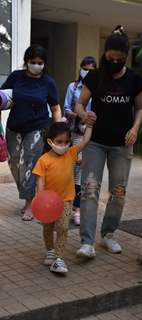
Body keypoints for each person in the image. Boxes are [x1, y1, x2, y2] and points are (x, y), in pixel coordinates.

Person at [75, 25, 142, 258]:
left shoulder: (134, 79)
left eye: (118, 59)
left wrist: (135, 128)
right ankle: (86, 242)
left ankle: (108, 235)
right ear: (105, 53)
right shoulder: (95, 77)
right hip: (95, 142)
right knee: (90, 189)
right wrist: (84, 115)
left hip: (121, 144)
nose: (113, 61)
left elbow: (140, 108)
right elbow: (79, 104)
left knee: (118, 192)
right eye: (110, 57)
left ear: (126, 57)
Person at [1, 45, 61, 221]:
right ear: (26, 62)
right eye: (32, 62)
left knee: (29, 164)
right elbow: (3, 97)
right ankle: (29, 194)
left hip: (37, 128)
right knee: (14, 164)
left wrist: (58, 133)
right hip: (14, 127)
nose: (36, 65)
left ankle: (29, 204)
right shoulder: (16, 77)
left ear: (44, 64)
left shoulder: (48, 82)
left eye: (40, 63)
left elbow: (55, 108)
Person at [33, 122, 93, 274]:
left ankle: (59, 258)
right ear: (50, 141)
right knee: (47, 227)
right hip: (48, 203)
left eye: (66, 142)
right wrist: (40, 200)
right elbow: (39, 180)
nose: (63, 145)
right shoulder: (43, 160)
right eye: (59, 142)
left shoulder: (71, 153)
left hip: (66, 199)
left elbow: (85, 141)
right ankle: (50, 250)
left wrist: (90, 125)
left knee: (63, 227)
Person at [64, 56, 97, 226]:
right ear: (80, 69)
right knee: (76, 172)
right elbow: (66, 109)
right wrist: (80, 115)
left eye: (92, 70)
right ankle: (75, 209)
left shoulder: (99, 87)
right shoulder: (73, 86)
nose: (88, 72)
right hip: (77, 133)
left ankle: (82, 209)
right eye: (85, 68)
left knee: (89, 173)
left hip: (94, 134)